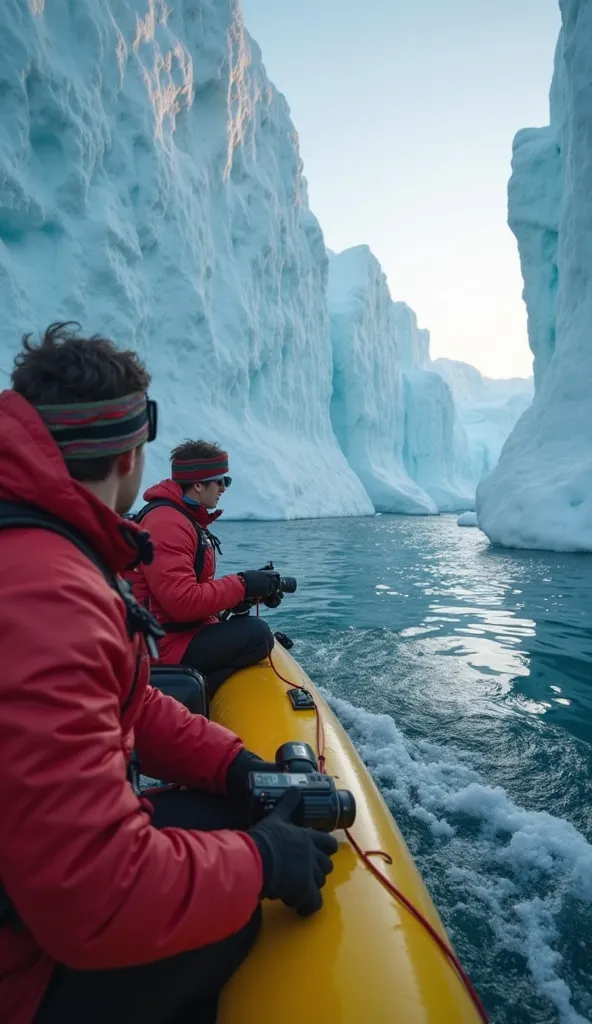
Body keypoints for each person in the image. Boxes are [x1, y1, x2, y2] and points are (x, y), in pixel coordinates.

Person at [0, 323, 338, 1024]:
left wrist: (236, 767)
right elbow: (94, 898)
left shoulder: (43, 547)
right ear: (129, 453)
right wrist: (263, 864)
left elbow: (127, 699)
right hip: (21, 972)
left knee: (224, 813)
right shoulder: (49, 590)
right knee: (234, 920)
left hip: (26, 899)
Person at [129, 439, 280, 696]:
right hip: (161, 645)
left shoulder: (180, 518)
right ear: (198, 484)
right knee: (258, 636)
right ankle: (194, 695)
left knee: (253, 633)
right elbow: (183, 602)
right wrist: (243, 585)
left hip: (172, 635)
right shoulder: (167, 523)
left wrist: (239, 601)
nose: (223, 487)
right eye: (220, 480)